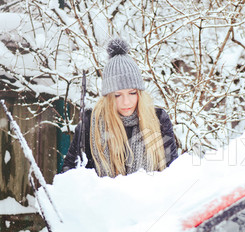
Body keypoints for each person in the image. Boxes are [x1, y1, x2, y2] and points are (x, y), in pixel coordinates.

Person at [62, 38, 178, 176]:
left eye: (132, 93)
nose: (126, 102)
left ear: (140, 93)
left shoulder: (158, 120)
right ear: (108, 97)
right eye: (117, 95)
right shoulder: (90, 125)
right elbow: (68, 177)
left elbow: (173, 174)